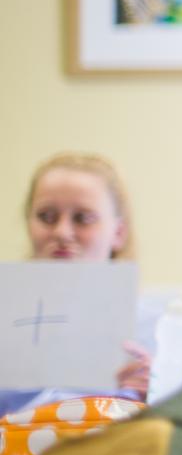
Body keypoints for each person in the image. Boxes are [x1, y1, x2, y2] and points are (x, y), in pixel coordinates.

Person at [16, 153, 149, 406]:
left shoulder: (159, 333)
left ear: (118, 232)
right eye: (46, 216)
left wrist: (163, 394)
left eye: (83, 218)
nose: (62, 232)